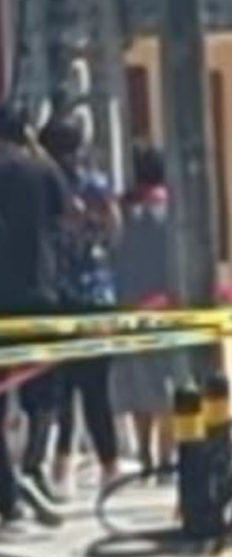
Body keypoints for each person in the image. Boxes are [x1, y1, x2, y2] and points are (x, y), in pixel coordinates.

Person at [25, 115, 120, 496]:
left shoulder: (50, 183)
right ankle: (108, 466)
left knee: (62, 387)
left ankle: (63, 465)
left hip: (61, 296)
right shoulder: (93, 183)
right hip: (97, 295)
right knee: (96, 389)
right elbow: (115, 228)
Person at [0, 104, 68, 528]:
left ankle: (9, 492)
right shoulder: (41, 170)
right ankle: (34, 468)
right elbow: (68, 215)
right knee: (44, 393)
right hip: (40, 291)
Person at [111, 147, 180, 472]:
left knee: (138, 383)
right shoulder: (174, 212)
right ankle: (167, 455)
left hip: (130, 307)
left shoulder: (122, 212)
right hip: (168, 307)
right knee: (168, 382)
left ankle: (144, 453)